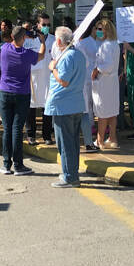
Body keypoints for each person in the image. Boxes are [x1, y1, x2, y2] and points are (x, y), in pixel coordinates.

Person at [0, 26, 46, 175]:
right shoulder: (27, 54)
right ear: (24, 38)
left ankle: (6, 164)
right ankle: (18, 165)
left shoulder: (4, 49)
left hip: (5, 92)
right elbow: (41, 55)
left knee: (7, 129)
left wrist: (24, 35)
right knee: (17, 129)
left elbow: (12, 42)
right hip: (21, 94)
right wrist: (42, 41)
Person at [46, 27, 87, 187]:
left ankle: (70, 176)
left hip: (63, 105)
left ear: (58, 41)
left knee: (65, 143)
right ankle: (71, 172)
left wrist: (53, 68)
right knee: (72, 142)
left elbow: (63, 80)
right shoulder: (78, 54)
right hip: (75, 103)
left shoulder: (67, 56)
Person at [24, 14, 56, 145]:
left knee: (47, 106)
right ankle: (31, 135)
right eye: (44, 24)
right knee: (31, 106)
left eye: (48, 25)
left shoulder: (54, 39)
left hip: (48, 77)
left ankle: (47, 135)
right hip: (33, 78)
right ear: (38, 25)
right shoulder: (29, 40)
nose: (46, 27)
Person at [92, 19, 121, 149]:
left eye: (100, 29)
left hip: (104, 82)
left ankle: (100, 140)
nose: (97, 32)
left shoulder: (106, 45)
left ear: (107, 30)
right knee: (112, 111)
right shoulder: (114, 44)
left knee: (102, 113)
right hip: (112, 82)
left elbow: (107, 66)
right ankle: (112, 138)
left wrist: (96, 70)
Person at [75, 21, 99, 151]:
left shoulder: (85, 43)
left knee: (90, 105)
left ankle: (91, 127)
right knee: (88, 105)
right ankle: (91, 127)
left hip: (90, 77)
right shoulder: (82, 44)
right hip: (87, 78)